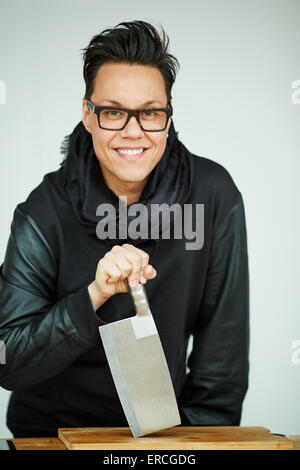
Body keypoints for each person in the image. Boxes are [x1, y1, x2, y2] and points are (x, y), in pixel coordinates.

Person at [0, 20, 249, 438]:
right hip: (50, 434)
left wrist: (195, 443)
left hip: (160, 436)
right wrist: (93, 296)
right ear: (88, 114)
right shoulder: (44, 208)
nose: (133, 131)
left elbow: (221, 358)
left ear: (167, 118)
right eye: (113, 112)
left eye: (150, 113)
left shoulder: (213, 195)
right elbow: (8, 358)